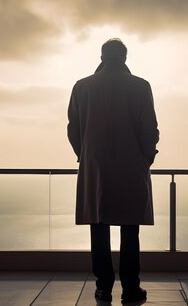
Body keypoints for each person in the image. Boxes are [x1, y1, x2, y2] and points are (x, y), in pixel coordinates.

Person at [67, 38, 159, 303]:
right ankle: (131, 288)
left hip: (95, 167)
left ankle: (102, 287)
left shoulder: (82, 87)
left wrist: (84, 156)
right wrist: (146, 159)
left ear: (102, 56)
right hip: (131, 166)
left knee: (98, 226)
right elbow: (149, 129)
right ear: (125, 57)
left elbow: (73, 128)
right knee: (130, 229)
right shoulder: (141, 86)